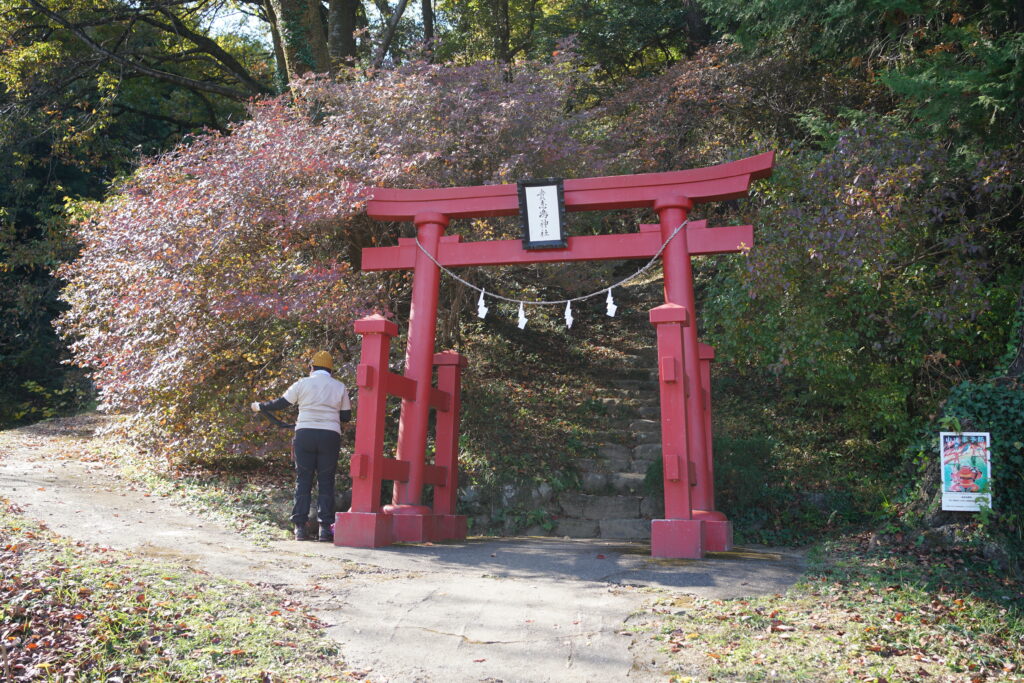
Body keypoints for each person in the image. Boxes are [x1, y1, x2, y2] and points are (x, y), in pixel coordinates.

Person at [251, 350, 352, 542]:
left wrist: (260, 406)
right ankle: (324, 529)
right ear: (331, 370)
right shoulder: (340, 387)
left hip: (305, 434)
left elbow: (281, 403)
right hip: (330, 436)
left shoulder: (302, 383)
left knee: (303, 480)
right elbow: (346, 416)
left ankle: (300, 528)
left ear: (312, 367)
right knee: (326, 482)